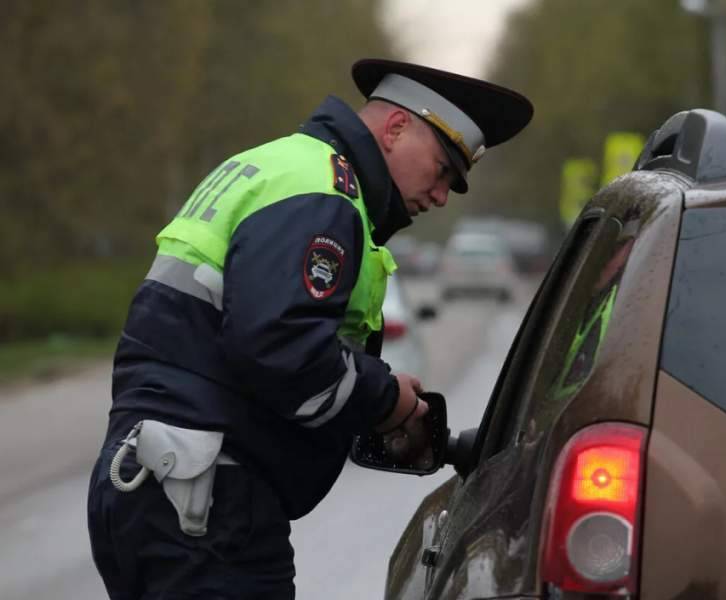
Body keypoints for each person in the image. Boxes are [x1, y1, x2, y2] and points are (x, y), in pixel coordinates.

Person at [87, 58, 533, 599]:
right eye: (442, 171)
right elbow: (282, 347)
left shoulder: (275, 165)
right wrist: (388, 399)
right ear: (395, 130)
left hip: (152, 483)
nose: (440, 196)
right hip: (206, 507)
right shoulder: (323, 193)